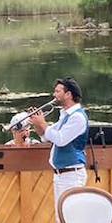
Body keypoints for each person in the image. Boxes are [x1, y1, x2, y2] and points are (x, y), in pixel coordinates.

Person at [29, 77, 90, 211]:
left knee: (70, 217)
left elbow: (61, 140)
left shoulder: (77, 117)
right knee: (61, 218)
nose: (54, 95)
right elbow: (47, 137)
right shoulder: (65, 115)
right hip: (62, 174)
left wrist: (43, 123)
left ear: (68, 94)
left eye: (57, 92)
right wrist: (38, 125)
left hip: (71, 175)